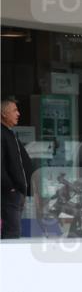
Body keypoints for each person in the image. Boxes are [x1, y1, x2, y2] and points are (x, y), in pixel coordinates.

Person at [1, 98, 33, 239]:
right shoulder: (2, 134)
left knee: (14, 232)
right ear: (3, 113)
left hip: (17, 193)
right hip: (9, 193)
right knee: (12, 234)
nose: (18, 113)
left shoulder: (9, 133)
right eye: (14, 110)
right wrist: (10, 187)